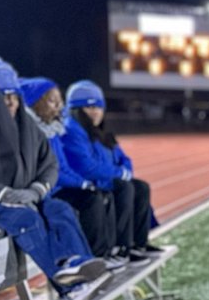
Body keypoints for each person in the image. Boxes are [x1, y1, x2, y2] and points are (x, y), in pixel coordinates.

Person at [0, 56, 108, 300]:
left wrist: (36, 189)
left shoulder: (25, 123)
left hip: (21, 197)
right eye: (3, 96)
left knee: (59, 208)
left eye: (14, 95)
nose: (10, 102)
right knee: (25, 218)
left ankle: (77, 264)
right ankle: (69, 286)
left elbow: (49, 163)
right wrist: (0, 193)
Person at [20, 77, 126, 270]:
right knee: (90, 200)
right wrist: (81, 184)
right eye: (53, 101)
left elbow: (64, 167)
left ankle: (104, 253)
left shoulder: (53, 130)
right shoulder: (35, 134)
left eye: (59, 100)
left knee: (101, 194)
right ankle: (92, 256)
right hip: (48, 191)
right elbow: (51, 172)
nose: (59, 106)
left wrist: (83, 182)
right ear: (37, 103)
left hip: (57, 188)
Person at [60, 80, 162, 262]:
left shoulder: (102, 133)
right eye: (89, 108)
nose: (95, 112)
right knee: (124, 187)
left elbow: (124, 159)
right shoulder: (71, 131)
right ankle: (121, 246)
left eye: (99, 107)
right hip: (85, 184)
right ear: (76, 110)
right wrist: (120, 174)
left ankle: (137, 243)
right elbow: (86, 166)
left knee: (141, 186)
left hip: (103, 179)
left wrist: (125, 171)